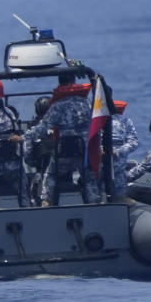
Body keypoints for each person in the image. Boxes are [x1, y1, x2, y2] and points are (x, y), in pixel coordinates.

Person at [23, 74, 98, 205]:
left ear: (59, 84)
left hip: (64, 152)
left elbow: (43, 127)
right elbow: (97, 126)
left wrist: (25, 137)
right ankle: (94, 202)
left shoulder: (58, 106)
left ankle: (46, 201)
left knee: (50, 174)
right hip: (84, 153)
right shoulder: (87, 104)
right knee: (89, 177)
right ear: (74, 82)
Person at [109, 100, 139, 199]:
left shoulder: (125, 121)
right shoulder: (98, 121)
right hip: (100, 165)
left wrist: (117, 152)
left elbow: (133, 142)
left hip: (118, 166)